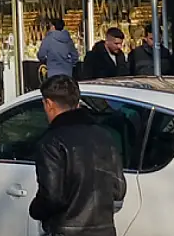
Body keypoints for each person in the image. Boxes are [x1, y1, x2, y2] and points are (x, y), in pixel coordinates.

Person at [30, 75, 126, 236]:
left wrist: (35, 210)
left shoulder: (52, 141)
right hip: (104, 230)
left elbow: (53, 196)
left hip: (65, 230)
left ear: (49, 104)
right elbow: (119, 189)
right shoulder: (104, 136)